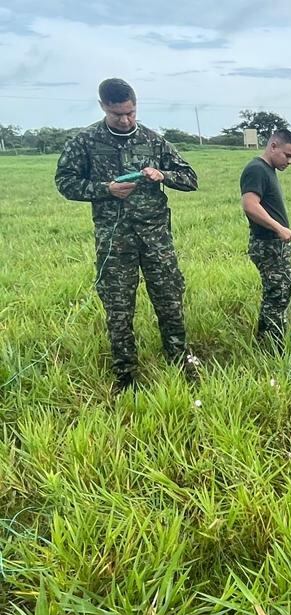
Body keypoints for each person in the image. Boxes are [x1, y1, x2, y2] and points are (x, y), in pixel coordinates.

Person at [55, 78, 199, 393]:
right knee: (118, 310)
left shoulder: (153, 140)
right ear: (103, 107)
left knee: (170, 301)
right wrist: (105, 190)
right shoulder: (86, 142)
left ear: (136, 105)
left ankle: (179, 361)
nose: (125, 119)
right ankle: (126, 375)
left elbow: (190, 178)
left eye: (130, 112)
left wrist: (163, 175)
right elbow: (65, 182)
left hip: (156, 240)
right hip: (114, 244)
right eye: (117, 113)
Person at [240, 129, 291, 351]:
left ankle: (266, 342)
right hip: (267, 244)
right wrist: (279, 228)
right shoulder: (256, 169)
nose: (290, 161)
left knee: (278, 293)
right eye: (287, 155)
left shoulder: (266, 170)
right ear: (273, 146)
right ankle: (274, 349)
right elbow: (250, 205)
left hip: (273, 244)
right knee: (278, 295)